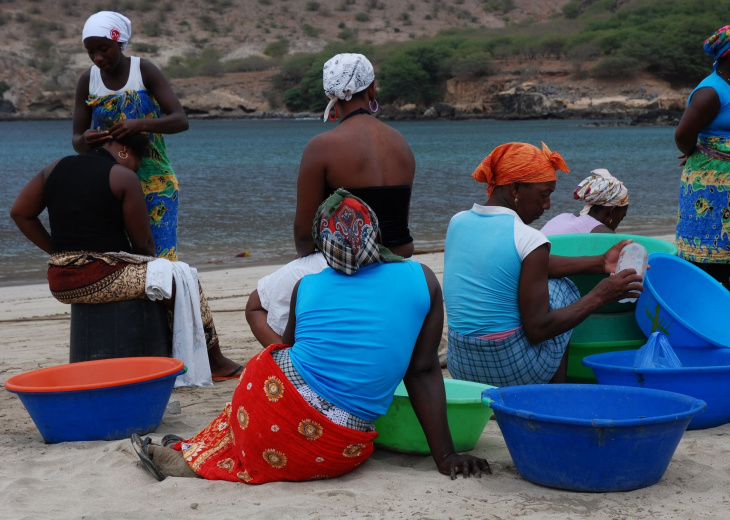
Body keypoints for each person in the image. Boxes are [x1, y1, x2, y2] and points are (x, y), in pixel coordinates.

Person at [131, 190, 490, 483]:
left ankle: (195, 454)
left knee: (265, 370)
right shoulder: (423, 279)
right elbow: (423, 370)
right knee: (274, 388)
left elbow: (284, 354)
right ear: (376, 233)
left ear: (323, 245)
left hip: (270, 415)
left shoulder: (308, 285)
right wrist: (445, 455)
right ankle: (194, 449)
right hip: (338, 450)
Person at [9, 134, 242, 383]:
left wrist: (57, 251)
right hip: (97, 277)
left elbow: (20, 213)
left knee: (164, 281)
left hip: (59, 280)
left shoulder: (52, 168)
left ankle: (176, 355)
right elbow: (143, 244)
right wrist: (153, 267)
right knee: (181, 279)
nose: (137, 170)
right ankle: (215, 361)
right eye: (138, 163)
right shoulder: (122, 176)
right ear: (125, 150)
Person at [245, 53, 416, 346]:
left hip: (345, 265)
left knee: (255, 305)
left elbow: (303, 238)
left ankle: (292, 365)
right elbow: (397, 221)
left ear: (330, 95)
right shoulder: (400, 142)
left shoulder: (322, 146)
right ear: (372, 89)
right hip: (399, 259)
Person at [443, 142, 643, 387]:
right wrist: (600, 296)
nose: (547, 205)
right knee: (564, 288)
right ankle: (551, 393)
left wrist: (600, 262)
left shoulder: (458, 221)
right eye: (544, 195)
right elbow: (538, 329)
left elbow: (523, 264)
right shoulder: (528, 238)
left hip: (461, 366)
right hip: (510, 371)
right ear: (516, 188)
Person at [72, 11, 188, 261]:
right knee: (119, 258)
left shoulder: (142, 70)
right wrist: (86, 139)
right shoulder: (88, 81)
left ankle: (163, 301)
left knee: (161, 259)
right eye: (91, 52)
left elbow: (180, 120)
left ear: (119, 42)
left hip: (156, 181)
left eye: (104, 49)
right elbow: (76, 141)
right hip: (109, 183)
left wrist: (140, 125)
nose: (97, 57)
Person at [674, 25, 730, 291]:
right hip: (711, 183)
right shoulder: (710, 92)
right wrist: (698, 153)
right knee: (709, 256)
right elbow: (683, 135)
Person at [540, 168, 629, 235]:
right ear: (612, 211)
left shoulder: (561, 218)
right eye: (621, 217)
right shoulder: (603, 234)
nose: (618, 223)